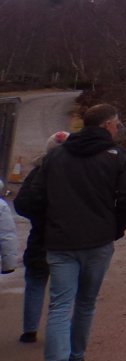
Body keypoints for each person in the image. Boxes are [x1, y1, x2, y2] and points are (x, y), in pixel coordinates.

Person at [14, 104, 126, 361]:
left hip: (60, 242)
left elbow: (29, 199)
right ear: (108, 125)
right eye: (117, 124)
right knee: (84, 303)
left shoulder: (56, 156)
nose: (118, 129)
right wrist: (115, 229)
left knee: (59, 305)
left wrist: (48, 223)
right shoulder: (118, 158)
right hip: (97, 242)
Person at [17, 131, 69, 342]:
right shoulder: (79, 173)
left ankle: (30, 330)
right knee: (63, 289)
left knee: (35, 281)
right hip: (68, 239)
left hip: (40, 237)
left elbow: (22, 204)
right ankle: (59, 332)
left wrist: (40, 217)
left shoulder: (38, 172)